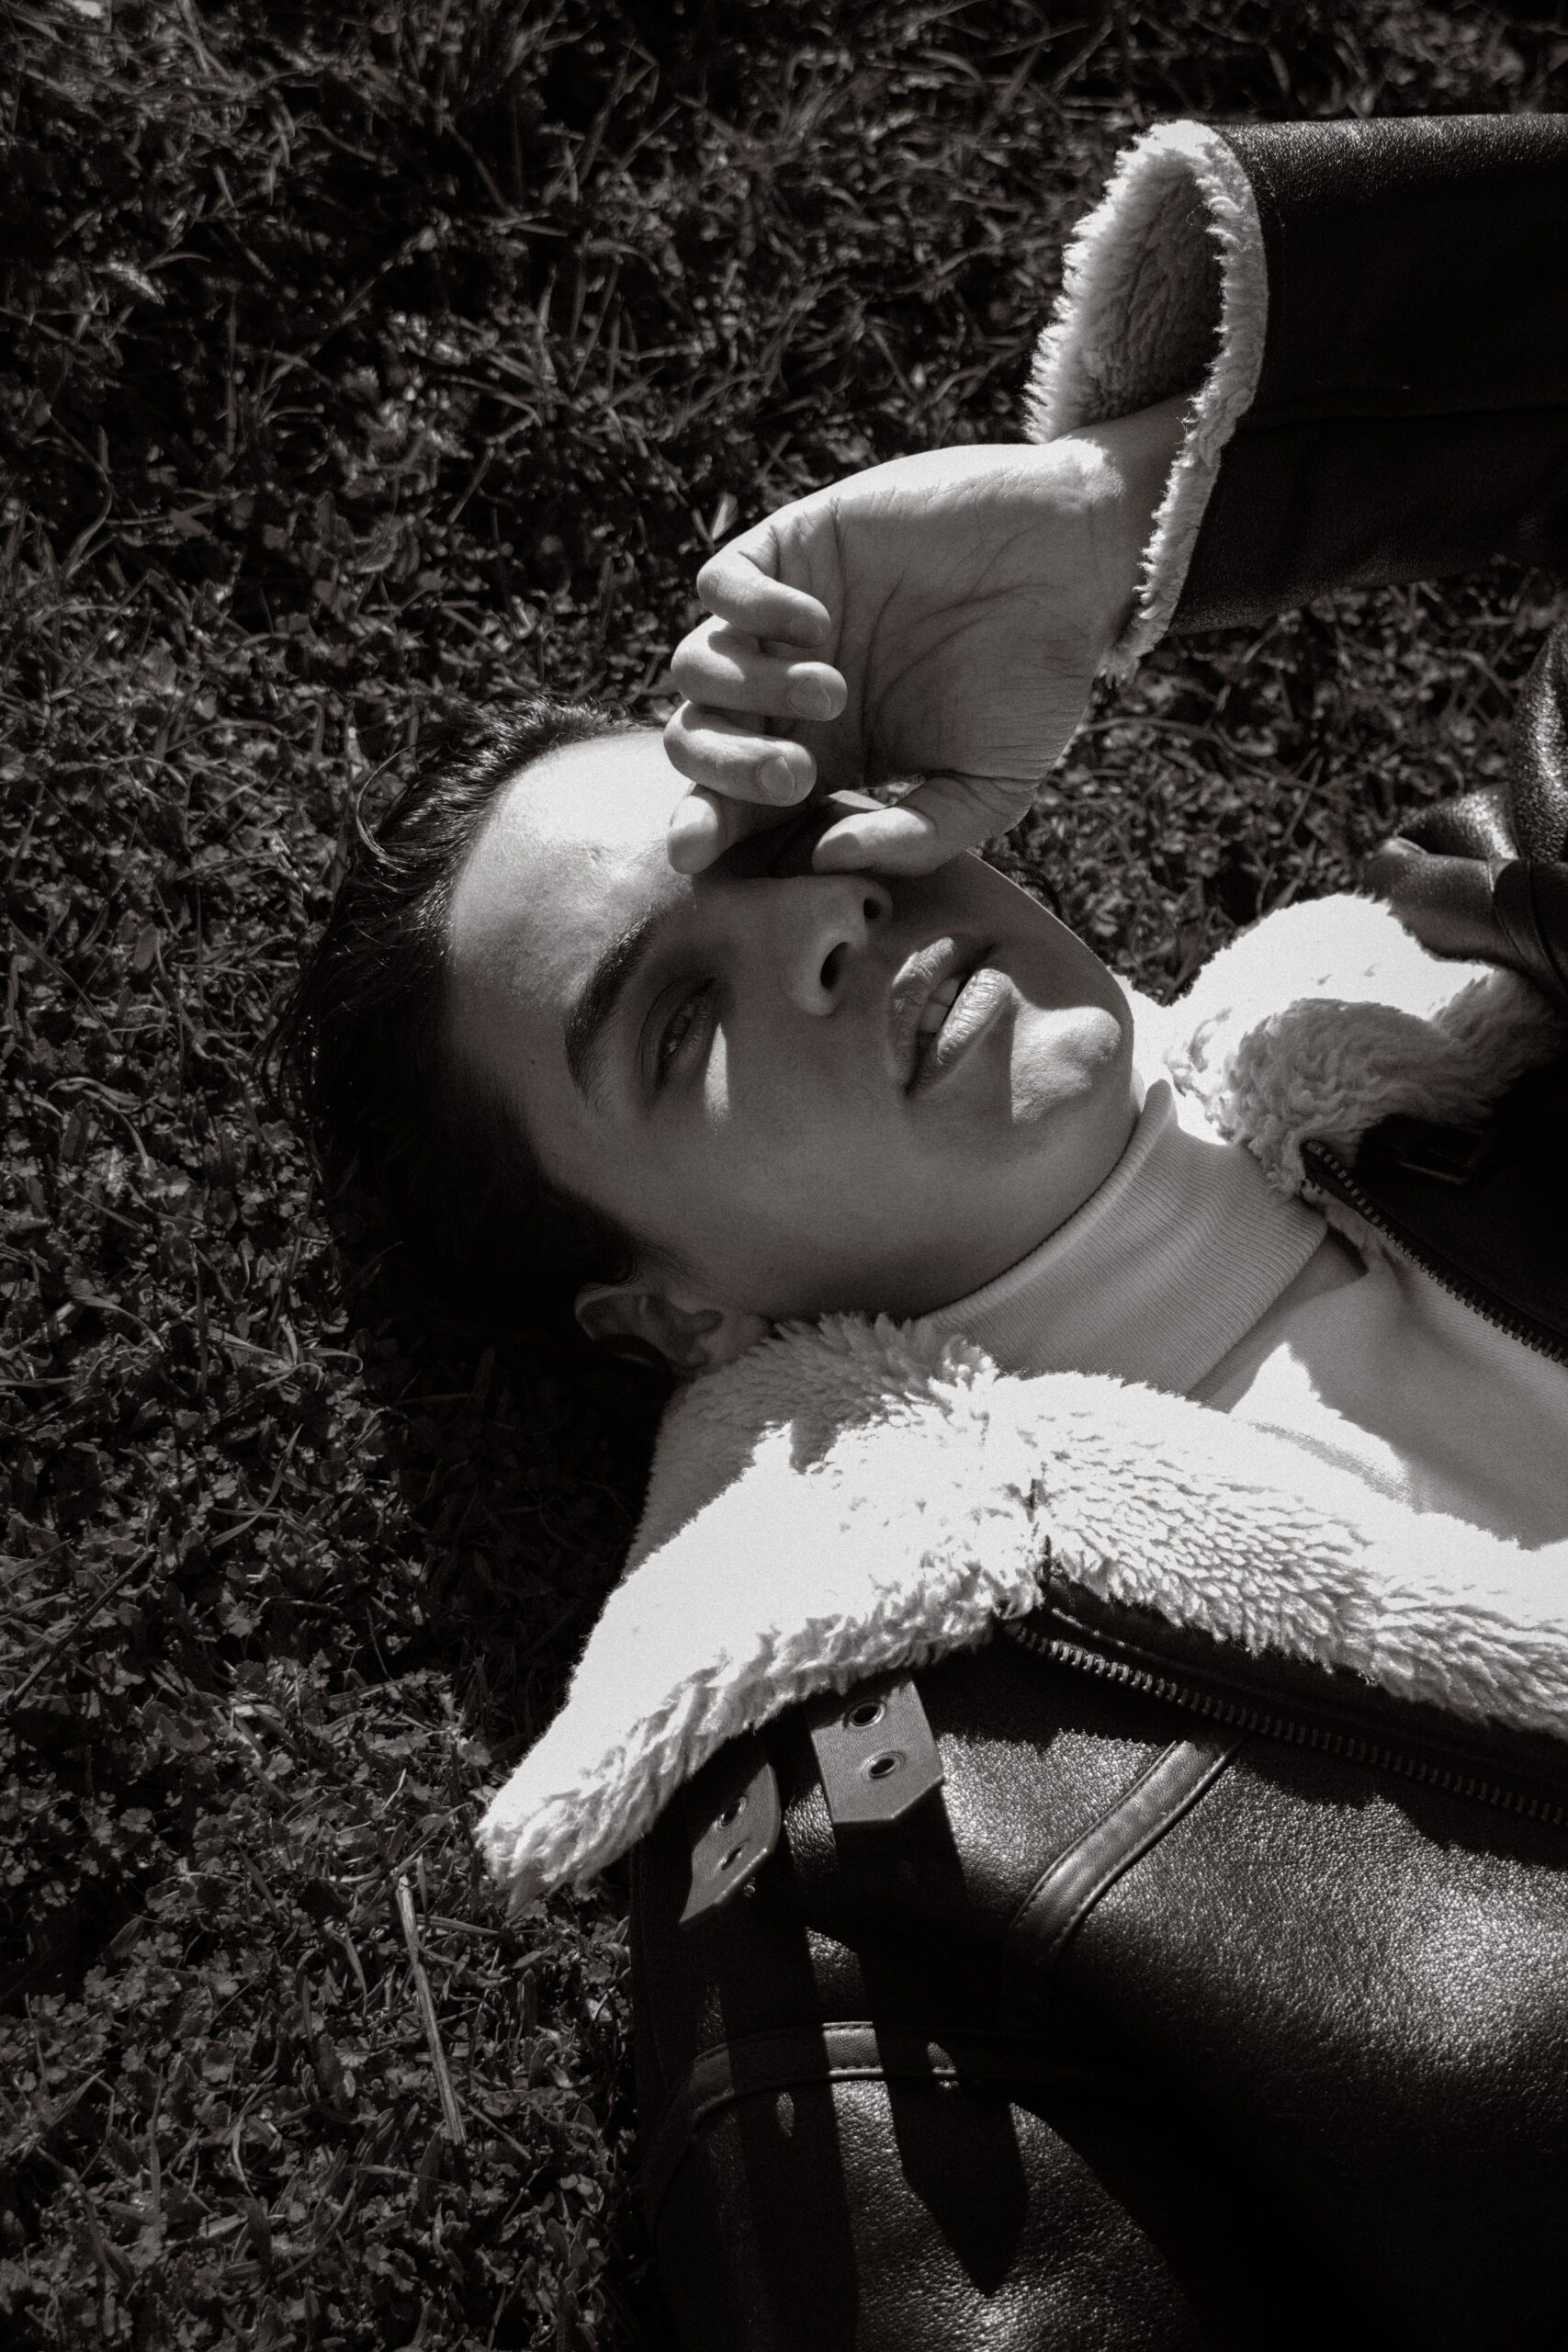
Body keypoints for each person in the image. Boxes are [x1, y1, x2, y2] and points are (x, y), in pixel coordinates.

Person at [288, 110, 1568, 2348]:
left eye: (785, 832)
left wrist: (1129, 509)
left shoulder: (1495, 949)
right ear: (666, 1309)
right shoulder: (855, 1861)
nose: (819, 928)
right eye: (675, 1018)